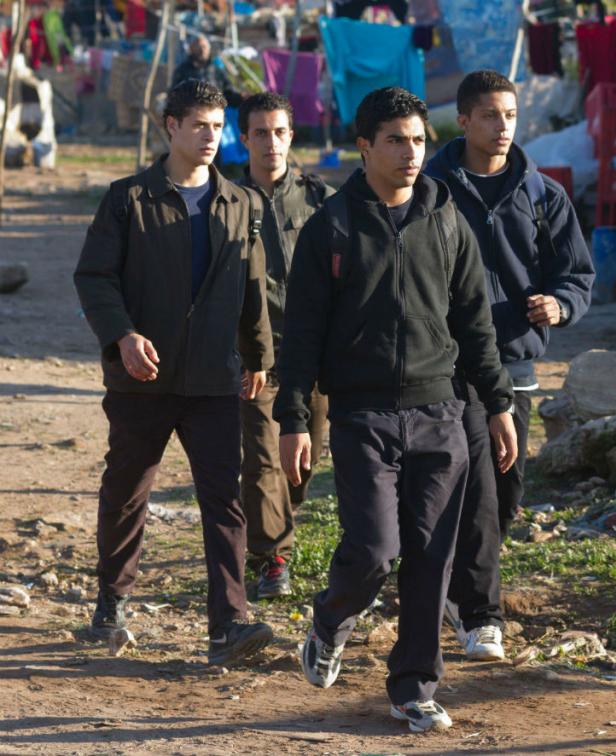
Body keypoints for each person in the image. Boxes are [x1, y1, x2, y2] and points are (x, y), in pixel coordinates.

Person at [273, 86, 517, 733]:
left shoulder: (447, 220)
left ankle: (414, 687)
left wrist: (497, 404)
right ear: (364, 146)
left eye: (418, 141)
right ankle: (331, 617)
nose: (411, 154)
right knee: (375, 550)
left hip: (440, 413)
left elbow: (475, 324)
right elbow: (301, 336)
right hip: (363, 416)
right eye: (395, 141)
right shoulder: (331, 228)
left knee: (432, 559)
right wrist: (293, 420)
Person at [73, 79, 275, 666]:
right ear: (171, 126)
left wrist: (258, 356)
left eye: (218, 126)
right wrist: (121, 335)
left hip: (214, 378)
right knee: (126, 492)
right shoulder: (127, 199)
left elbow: (252, 285)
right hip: (143, 378)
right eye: (199, 125)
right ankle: (112, 601)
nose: (211, 137)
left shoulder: (241, 202)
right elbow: (94, 277)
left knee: (224, 499)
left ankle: (229, 625)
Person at [424, 69, 594, 661]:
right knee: (477, 491)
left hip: (517, 364)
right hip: (451, 365)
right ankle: (481, 616)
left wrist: (560, 305)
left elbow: (577, 274)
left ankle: (452, 586)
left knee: (506, 489)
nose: (503, 127)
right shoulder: (432, 190)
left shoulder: (543, 195)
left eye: (511, 116)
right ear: (464, 120)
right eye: (490, 115)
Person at [236, 92, 332, 599]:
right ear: (244, 138)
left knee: (302, 462)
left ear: (291, 136)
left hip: (313, 355)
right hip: (254, 356)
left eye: (279, 132)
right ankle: (272, 557)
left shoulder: (321, 200)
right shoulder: (225, 199)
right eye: (260, 133)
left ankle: (274, 514)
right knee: (262, 459)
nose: (270, 143)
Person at [172, 35, 241, 107]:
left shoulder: (216, 70)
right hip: (191, 109)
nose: (202, 50)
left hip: (214, 109)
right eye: (198, 47)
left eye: (204, 47)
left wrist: (240, 97)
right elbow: (174, 94)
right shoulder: (182, 70)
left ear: (209, 49)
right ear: (191, 49)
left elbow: (229, 92)